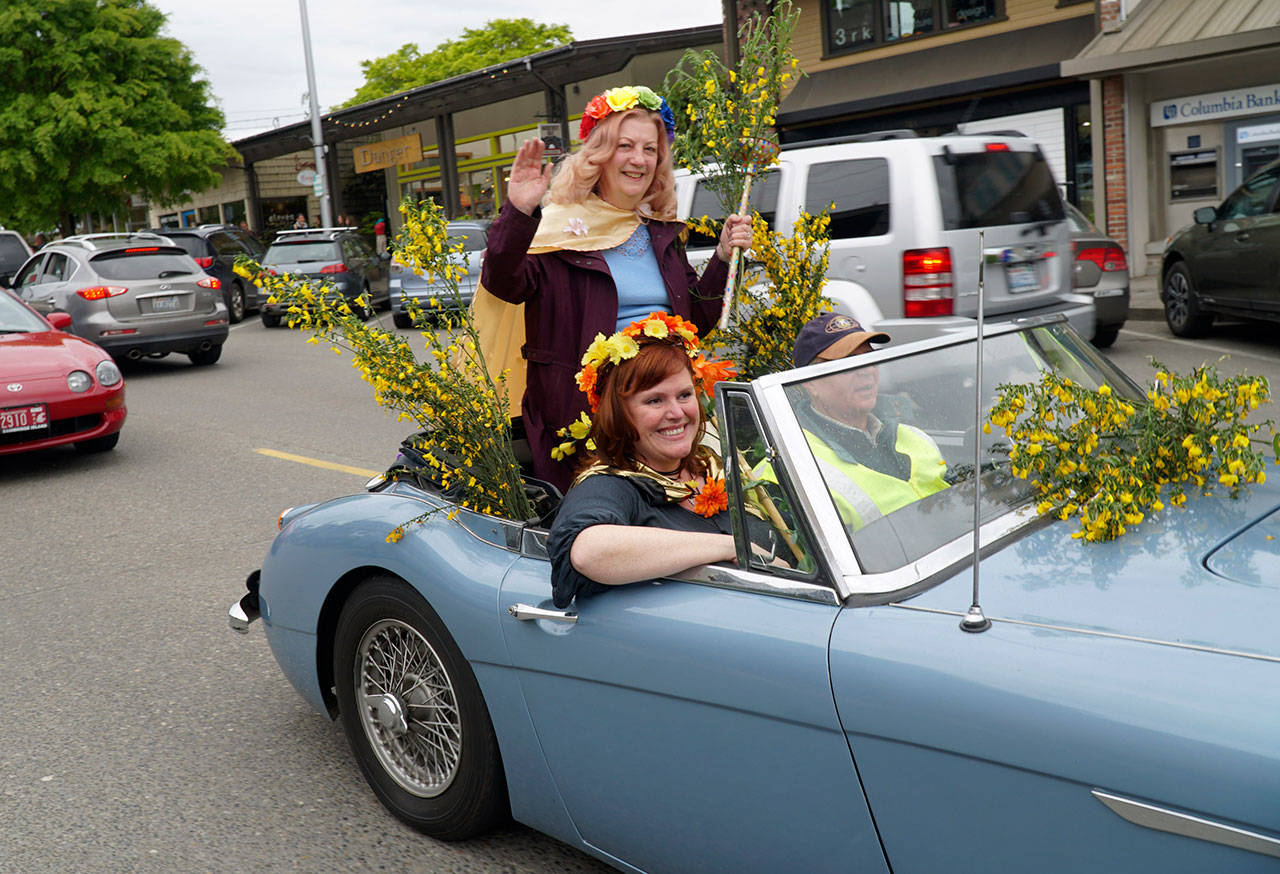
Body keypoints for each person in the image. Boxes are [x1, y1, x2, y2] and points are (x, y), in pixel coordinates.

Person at [479, 84, 753, 493]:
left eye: (650, 149)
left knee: (732, 498)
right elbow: (505, 283)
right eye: (626, 146)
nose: (639, 159)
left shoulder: (659, 233)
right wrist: (518, 212)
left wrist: (723, 257)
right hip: (590, 426)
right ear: (600, 155)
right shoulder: (559, 229)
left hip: (671, 414)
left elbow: (697, 320)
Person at [547, 314, 739, 608]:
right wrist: (732, 547)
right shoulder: (610, 485)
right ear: (620, 414)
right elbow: (589, 552)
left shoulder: (713, 464)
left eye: (685, 395)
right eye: (654, 400)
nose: (676, 412)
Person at [791, 313, 949, 530]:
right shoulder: (797, 465)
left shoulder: (914, 436)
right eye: (848, 363)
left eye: (869, 359)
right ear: (810, 382)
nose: (866, 370)